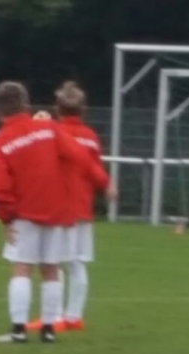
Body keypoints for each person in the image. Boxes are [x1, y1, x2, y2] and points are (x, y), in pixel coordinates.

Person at [0, 81, 109, 344]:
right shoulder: (49, 129)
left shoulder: (0, 142)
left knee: (22, 268)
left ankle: (18, 330)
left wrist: (6, 219)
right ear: (26, 104)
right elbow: (81, 157)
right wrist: (104, 182)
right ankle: (49, 330)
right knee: (51, 269)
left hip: (25, 212)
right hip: (57, 211)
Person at [52, 82, 115, 332]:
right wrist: (107, 184)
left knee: (53, 262)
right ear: (83, 109)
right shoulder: (90, 137)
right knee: (77, 263)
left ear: (57, 108)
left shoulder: (54, 134)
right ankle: (74, 317)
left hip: (57, 208)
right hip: (82, 208)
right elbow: (94, 169)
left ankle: (55, 316)